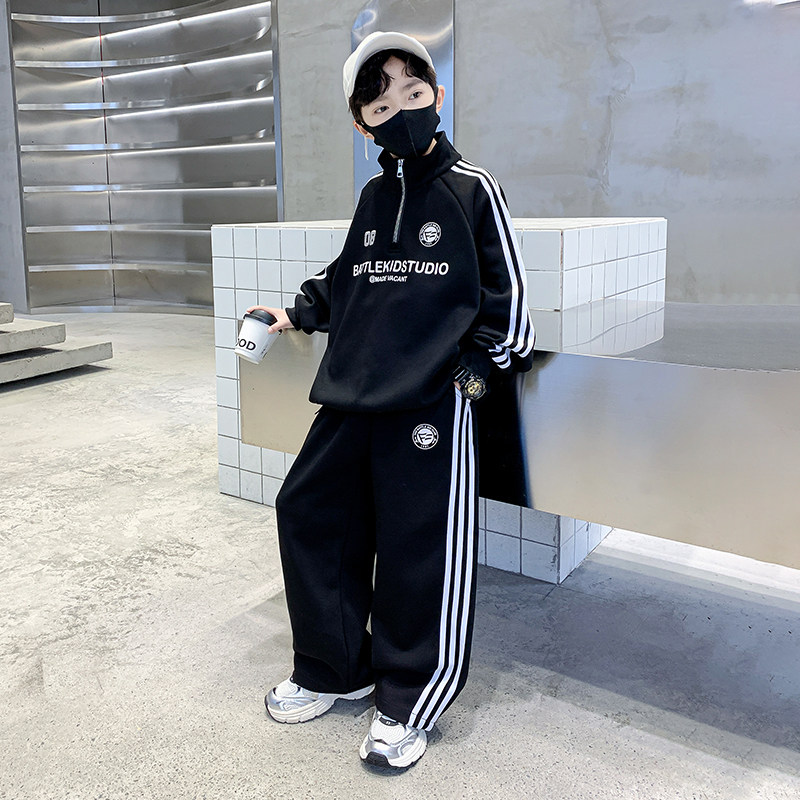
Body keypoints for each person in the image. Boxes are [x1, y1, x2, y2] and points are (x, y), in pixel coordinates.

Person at [248, 30, 535, 769]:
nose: (400, 110)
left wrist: (467, 378)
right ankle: (333, 668)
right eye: (381, 105)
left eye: (413, 93)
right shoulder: (375, 197)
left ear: (437, 96)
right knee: (309, 512)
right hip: (353, 393)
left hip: (428, 404)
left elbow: (510, 308)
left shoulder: (473, 188)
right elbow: (352, 275)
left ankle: (408, 700)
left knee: (418, 548)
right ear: (362, 124)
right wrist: (298, 311)